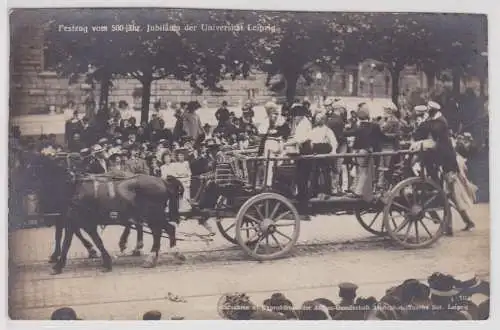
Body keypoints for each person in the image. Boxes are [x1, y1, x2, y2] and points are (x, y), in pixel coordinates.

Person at [411, 102, 475, 233]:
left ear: (433, 111)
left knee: (449, 194)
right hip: (441, 162)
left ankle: (451, 226)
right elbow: (421, 134)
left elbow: (432, 129)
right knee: (450, 195)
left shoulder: (441, 122)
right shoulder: (434, 121)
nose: (427, 113)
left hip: (448, 163)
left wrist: (422, 122)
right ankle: (465, 222)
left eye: (428, 111)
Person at [344, 106, 388, 201]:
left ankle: (353, 188)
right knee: (364, 172)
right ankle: (358, 192)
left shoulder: (357, 126)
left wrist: (346, 129)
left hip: (355, 151)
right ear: (368, 115)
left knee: (358, 171)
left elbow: (347, 133)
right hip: (365, 151)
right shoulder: (374, 126)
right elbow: (382, 137)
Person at [258, 101, 290, 187]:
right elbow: (263, 137)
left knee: (269, 161)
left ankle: (269, 183)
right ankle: (268, 182)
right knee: (267, 162)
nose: (273, 115)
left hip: (278, 145)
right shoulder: (266, 121)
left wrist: (278, 135)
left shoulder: (281, 121)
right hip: (271, 145)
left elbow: (286, 133)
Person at [308, 111, 338, 199]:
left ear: (323, 120)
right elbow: (310, 141)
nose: (318, 120)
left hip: (324, 151)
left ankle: (327, 191)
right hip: (315, 152)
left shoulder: (327, 130)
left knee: (326, 172)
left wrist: (333, 151)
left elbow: (333, 141)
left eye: (319, 118)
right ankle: (314, 191)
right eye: (317, 118)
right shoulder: (313, 130)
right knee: (314, 172)